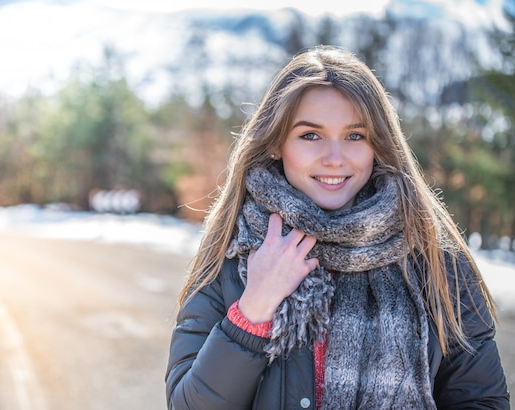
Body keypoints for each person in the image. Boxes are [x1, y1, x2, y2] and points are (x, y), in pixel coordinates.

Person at [165, 45, 510, 409]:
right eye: (310, 135)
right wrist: (255, 305)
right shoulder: (235, 252)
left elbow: (482, 399)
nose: (334, 158)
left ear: (378, 144)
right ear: (277, 144)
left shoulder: (434, 258)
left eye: (355, 136)